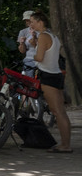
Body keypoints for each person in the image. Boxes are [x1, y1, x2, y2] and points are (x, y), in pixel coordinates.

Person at [29, 11, 72, 153]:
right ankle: (65, 144)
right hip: (56, 74)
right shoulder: (52, 35)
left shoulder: (43, 36)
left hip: (48, 76)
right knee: (60, 111)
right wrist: (35, 44)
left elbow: (40, 57)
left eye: (32, 21)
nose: (31, 24)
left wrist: (31, 55)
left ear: (40, 22)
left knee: (57, 112)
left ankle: (65, 146)